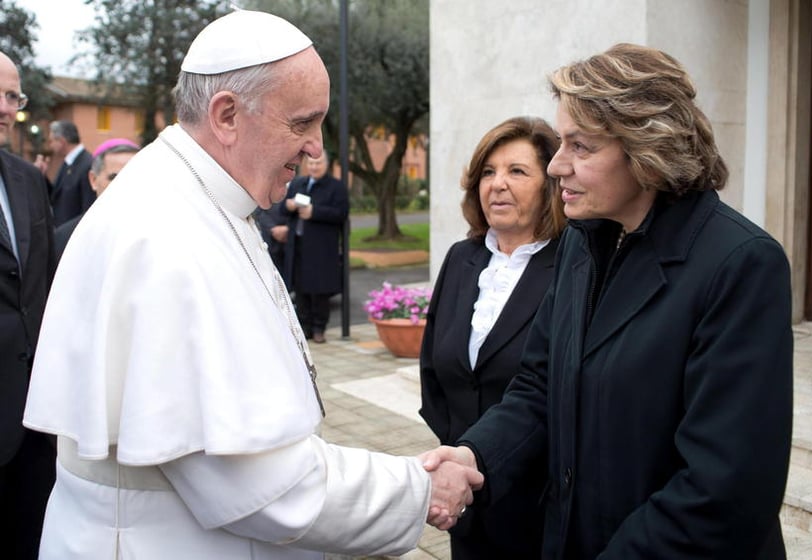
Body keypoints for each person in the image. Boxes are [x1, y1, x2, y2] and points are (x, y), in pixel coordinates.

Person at [23, 10, 481, 560]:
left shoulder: (197, 198)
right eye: (302, 123)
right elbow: (262, 489)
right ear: (227, 115)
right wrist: (420, 487)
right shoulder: (166, 235)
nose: (316, 148)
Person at [424, 43, 793, 559]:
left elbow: (726, 486)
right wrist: (474, 454)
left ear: (648, 147)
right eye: (560, 143)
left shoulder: (741, 264)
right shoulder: (583, 242)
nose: (556, 166)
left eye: (581, 146)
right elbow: (539, 386)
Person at [419, 115, 563, 560]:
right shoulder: (462, 259)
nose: (496, 184)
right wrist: (457, 462)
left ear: (550, 186)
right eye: (487, 172)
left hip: (539, 506)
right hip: (467, 502)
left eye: (517, 171)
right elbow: (433, 369)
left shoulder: (573, 267)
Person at [0, 50, 57, 560]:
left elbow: (46, 275)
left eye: (12, 95)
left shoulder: (28, 179)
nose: (4, 106)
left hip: (32, 424)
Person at [281, 151, 349, 343]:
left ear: (326, 164)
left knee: (320, 290)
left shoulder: (336, 187)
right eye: (310, 163)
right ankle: (305, 328)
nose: (313, 167)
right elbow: (282, 209)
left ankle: (319, 328)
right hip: (299, 245)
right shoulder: (298, 184)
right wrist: (290, 205)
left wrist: (315, 212)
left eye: (317, 163)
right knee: (301, 290)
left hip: (321, 247)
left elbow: (341, 213)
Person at [54, 138, 140, 258]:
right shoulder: (66, 237)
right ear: (93, 180)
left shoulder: (159, 234)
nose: (124, 184)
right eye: (114, 177)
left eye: (133, 176)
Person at [45, 119, 95, 226]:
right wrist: (41, 176)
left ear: (62, 141)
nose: (51, 146)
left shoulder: (87, 164)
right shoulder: (68, 162)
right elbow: (56, 195)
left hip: (73, 235)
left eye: (52, 141)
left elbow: (87, 208)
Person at [255, 200, 290, 286]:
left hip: (291, 236)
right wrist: (272, 228)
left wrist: (288, 228)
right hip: (270, 236)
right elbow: (258, 210)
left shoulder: (296, 187)